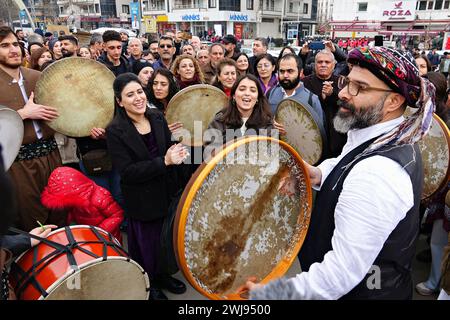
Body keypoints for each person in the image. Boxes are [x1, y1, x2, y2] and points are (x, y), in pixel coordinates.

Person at [247, 46, 435, 300]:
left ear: (394, 101)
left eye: (361, 87)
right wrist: (317, 173)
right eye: (347, 82)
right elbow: (347, 162)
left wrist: (271, 293)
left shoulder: (377, 174)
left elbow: (339, 276)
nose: (344, 93)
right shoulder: (379, 135)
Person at [106, 73, 188, 300]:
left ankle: (162, 275)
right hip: (141, 199)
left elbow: (170, 147)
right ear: (120, 101)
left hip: (165, 192)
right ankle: (147, 283)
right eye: (130, 95)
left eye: (140, 92)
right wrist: (164, 161)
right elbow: (128, 172)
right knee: (146, 245)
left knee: (165, 240)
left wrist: (178, 152)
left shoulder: (156, 118)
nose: (138, 98)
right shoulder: (115, 131)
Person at [0, 26, 64, 231]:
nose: (13, 50)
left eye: (15, 44)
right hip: (18, 163)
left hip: (51, 154)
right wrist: (23, 114)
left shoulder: (37, 77)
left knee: (60, 214)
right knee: (31, 221)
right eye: (4, 46)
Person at [41, 166, 124, 242]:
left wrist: (98, 231)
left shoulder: (100, 197)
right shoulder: (74, 200)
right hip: (87, 236)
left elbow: (117, 215)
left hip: (107, 237)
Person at [303, 49, 347, 158]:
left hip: (337, 139)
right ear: (315, 65)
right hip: (311, 137)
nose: (323, 65)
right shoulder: (304, 83)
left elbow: (349, 106)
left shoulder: (342, 82)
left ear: (333, 65)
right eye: (320, 62)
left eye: (327, 62)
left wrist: (332, 94)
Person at [207, 74, 274, 145]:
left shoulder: (266, 123)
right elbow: (211, 150)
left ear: (257, 98)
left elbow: (271, 151)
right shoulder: (220, 120)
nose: (247, 93)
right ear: (233, 96)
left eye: (253, 90)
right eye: (242, 89)